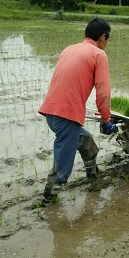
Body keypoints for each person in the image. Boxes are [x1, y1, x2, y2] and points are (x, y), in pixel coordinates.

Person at [38, 17, 118, 203]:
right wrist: (106, 121)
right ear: (102, 37)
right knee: (62, 168)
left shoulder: (69, 49)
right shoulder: (99, 55)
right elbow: (103, 93)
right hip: (67, 116)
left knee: (87, 143)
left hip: (51, 112)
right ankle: (48, 200)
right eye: (108, 39)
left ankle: (93, 176)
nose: (107, 43)